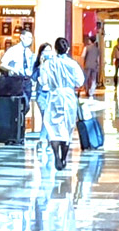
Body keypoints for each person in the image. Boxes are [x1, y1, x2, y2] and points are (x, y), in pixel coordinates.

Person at [39, 37, 85, 171]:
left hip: (54, 96)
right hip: (69, 97)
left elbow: (43, 81)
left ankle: (56, 155)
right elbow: (79, 81)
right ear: (68, 49)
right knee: (67, 126)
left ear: (56, 49)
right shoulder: (72, 64)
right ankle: (64, 157)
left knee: (54, 127)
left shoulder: (49, 64)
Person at [0, 30, 35, 110]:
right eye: (29, 37)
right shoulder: (13, 50)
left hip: (27, 81)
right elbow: (2, 64)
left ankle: (21, 120)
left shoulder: (29, 52)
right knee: (20, 105)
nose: (30, 40)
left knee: (25, 105)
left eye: (31, 38)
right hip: (17, 80)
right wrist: (12, 69)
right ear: (22, 37)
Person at [32, 43, 54, 153]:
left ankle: (46, 141)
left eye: (50, 50)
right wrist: (41, 65)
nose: (48, 53)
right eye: (45, 51)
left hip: (51, 93)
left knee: (48, 117)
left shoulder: (53, 64)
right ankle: (44, 140)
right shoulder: (38, 65)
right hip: (41, 94)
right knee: (46, 116)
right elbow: (35, 77)